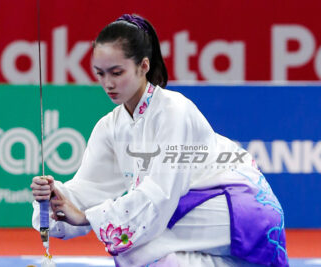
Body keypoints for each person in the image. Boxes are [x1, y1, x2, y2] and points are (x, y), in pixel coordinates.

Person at [31, 14, 288, 267]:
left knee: (135, 246)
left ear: (143, 66)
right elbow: (87, 188)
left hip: (241, 206)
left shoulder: (173, 110)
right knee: (131, 246)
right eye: (100, 73)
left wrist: (87, 217)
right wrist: (56, 198)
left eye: (117, 72)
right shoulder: (110, 126)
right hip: (192, 207)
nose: (107, 83)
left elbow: (160, 194)